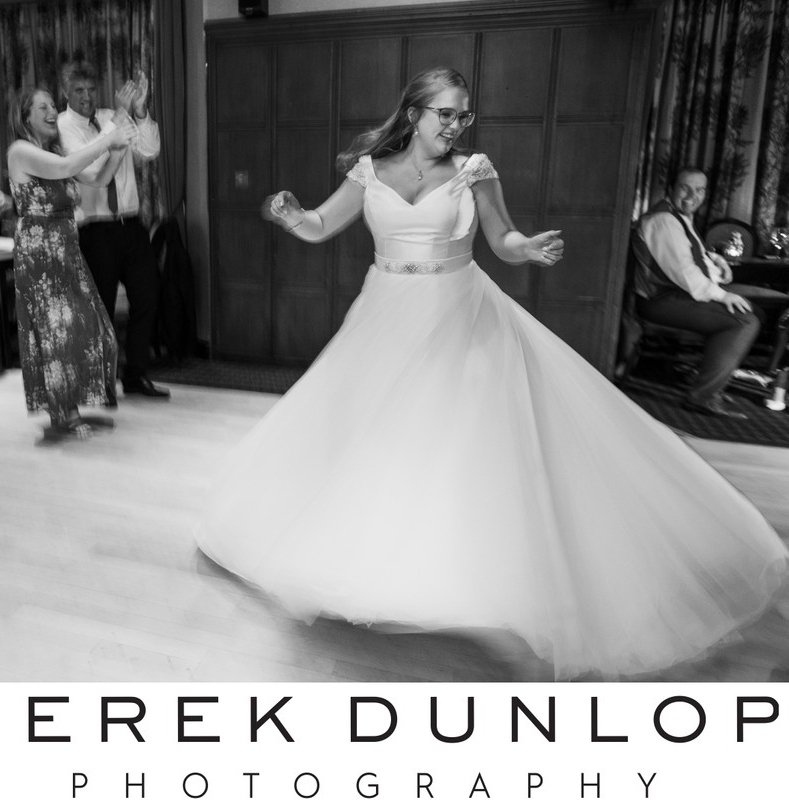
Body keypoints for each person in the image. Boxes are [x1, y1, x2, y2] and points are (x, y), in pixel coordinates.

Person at [196, 67, 788, 680]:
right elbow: (320, 226)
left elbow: (501, 238)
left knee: (453, 440)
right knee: (374, 437)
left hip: (458, 310)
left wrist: (525, 247)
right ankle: (374, 561)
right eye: (445, 113)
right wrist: (287, 212)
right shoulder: (368, 172)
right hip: (385, 313)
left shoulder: (475, 169)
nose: (455, 125)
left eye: (463, 115)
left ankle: (453, 572)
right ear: (415, 113)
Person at [6, 86, 132, 439]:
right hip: (39, 257)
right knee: (56, 334)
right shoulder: (21, 152)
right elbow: (66, 166)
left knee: (91, 327)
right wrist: (108, 139)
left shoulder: (54, 152)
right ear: (25, 116)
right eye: (42, 107)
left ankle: (71, 404)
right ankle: (64, 412)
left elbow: (97, 178)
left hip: (67, 253)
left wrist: (118, 149)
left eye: (52, 106)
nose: (51, 112)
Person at [56, 61, 169, 399]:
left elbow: (149, 150)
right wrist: (121, 117)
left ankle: (135, 375)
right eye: (79, 91)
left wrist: (140, 111)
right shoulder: (62, 127)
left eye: (91, 90)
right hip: (95, 230)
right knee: (100, 310)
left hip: (131, 225)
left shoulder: (111, 117)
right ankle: (101, 382)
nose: (87, 97)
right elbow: (90, 166)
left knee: (148, 298)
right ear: (66, 93)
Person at [631, 168, 761, 419]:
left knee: (751, 312)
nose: (693, 195)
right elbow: (686, 274)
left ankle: (710, 382)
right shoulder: (664, 220)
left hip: (675, 296)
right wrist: (723, 295)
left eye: (700, 189)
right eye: (685, 187)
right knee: (744, 321)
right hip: (658, 300)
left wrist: (716, 262)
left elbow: (694, 255)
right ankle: (702, 396)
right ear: (671, 188)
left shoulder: (678, 218)